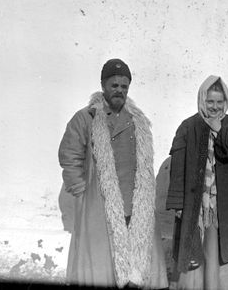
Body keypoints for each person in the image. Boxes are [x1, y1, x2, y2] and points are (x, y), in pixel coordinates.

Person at [58, 58, 168, 289]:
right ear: (103, 85)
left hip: (134, 201)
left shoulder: (137, 120)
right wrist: (82, 191)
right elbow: (69, 155)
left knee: (136, 258)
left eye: (124, 86)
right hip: (101, 202)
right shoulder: (86, 118)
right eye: (114, 85)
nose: (119, 90)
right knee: (104, 262)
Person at [166, 75, 228, 290]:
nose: (215, 107)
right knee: (200, 246)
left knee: (227, 247)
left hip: (227, 205)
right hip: (197, 205)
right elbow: (178, 169)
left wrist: (220, 130)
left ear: (225, 102)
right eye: (210, 102)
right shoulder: (188, 126)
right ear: (202, 100)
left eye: (220, 102)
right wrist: (178, 205)